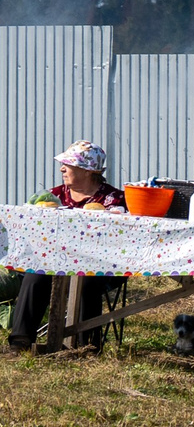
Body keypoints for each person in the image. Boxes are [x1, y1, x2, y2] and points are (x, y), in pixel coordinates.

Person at [7, 142, 126, 353]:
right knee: (35, 274)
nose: (62, 169)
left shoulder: (113, 200)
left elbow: (119, 239)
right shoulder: (53, 197)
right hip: (54, 260)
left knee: (87, 279)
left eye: (68, 165)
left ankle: (86, 345)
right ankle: (20, 341)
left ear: (88, 170)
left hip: (101, 264)